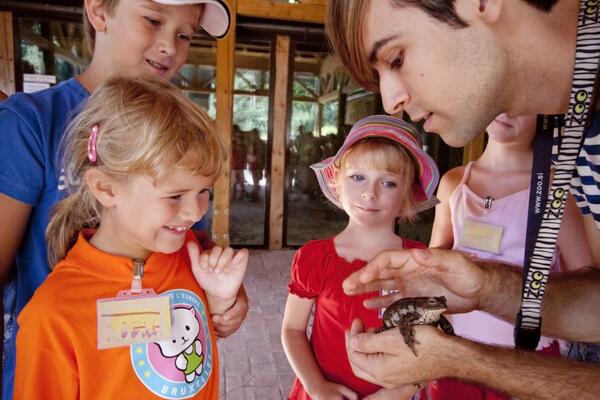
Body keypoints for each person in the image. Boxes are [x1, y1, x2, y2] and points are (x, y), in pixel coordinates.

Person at [326, 0, 600, 398]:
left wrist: (460, 360)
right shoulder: (576, 136)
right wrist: (485, 288)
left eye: (397, 58)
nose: (391, 102)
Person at [0, 1, 247, 398]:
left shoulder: (180, 136)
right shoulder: (27, 123)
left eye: (185, 34)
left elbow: (191, 247)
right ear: (99, 11)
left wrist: (223, 297)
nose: (171, 46)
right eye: (153, 19)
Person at [427, 113, 592, 399]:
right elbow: (434, 261)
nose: (509, 111)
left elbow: (584, 282)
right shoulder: (454, 181)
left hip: (528, 357)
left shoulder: (558, 190)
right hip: (456, 350)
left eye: (524, 105)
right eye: (503, 100)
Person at [281, 115, 439, 400]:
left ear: (407, 194)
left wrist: (399, 392)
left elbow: (434, 344)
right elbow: (292, 329)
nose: (370, 193)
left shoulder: (419, 261)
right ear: (338, 183)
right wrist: (317, 387)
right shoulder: (315, 257)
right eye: (358, 177)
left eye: (389, 183)